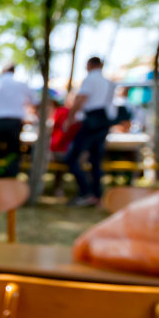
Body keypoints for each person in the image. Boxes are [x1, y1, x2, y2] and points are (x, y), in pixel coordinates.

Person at [66, 56, 118, 206]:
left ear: (90, 65)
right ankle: (96, 194)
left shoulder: (90, 79)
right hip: (103, 121)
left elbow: (81, 99)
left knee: (72, 158)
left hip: (92, 120)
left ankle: (86, 192)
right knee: (96, 160)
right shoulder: (109, 82)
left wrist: (70, 118)